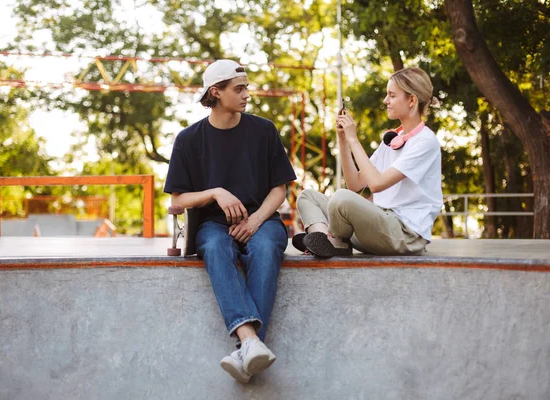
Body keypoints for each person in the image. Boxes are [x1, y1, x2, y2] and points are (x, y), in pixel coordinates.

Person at [164, 59, 296, 383]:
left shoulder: (263, 130)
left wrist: (255, 221)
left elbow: (280, 189)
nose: (246, 94)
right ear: (216, 92)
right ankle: (251, 343)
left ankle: (245, 345)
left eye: (247, 87)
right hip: (213, 224)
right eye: (239, 89)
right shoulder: (188, 139)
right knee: (215, 246)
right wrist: (215, 192)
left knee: (265, 247)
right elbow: (177, 200)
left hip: (262, 218)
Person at [294, 67, 442, 257]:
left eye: (392, 95)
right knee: (307, 196)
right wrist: (343, 140)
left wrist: (354, 139)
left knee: (341, 198)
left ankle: (331, 240)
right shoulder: (392, 138)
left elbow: (376, 184)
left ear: (411, 100)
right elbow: (355, 184)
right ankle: (328, 239)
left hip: (404, 235)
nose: (385, 101)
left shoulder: (425, 141)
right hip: (377, 226)